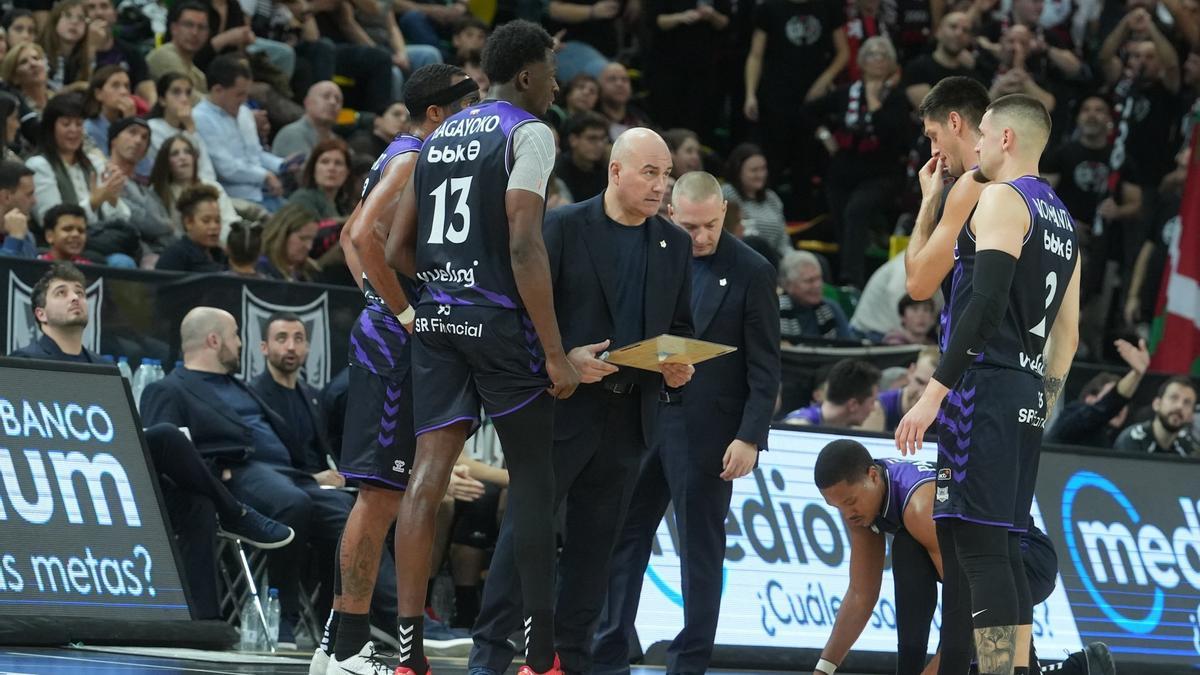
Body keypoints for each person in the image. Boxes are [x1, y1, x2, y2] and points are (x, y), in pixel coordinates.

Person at [384, 21, 582, 675]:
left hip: (438, 321)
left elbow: (397, 249)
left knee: (426, 475)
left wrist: (445, 288)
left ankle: (409, 657)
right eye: (552, 72)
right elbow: (525, 242)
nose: (557, 85)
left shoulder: (439, 133)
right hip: (497, 323)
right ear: (525, 75)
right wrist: (554, 351)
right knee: (534, 477)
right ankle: (541, 659)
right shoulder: (529, 132)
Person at [463, 122, 694, 675]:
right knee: (526, 532)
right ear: (615, 171)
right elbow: (519, 313)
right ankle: (489, 654)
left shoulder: (675, 243)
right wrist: (563, 357)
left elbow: (681, 327)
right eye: (649, 172)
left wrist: (677, 366)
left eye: (666, 174)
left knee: (596, 548)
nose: (661, 185)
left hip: (630, 415)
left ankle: (570, 659)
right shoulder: (563, 225)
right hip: (561, 406)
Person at [894, 94, 1081, 675]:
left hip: (982, 388)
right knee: (1000, 545)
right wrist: (1040, 403)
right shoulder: (1063, 219)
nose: (974, 144)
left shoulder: (1003, 197)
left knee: (980, 552)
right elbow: (1068, 336)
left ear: (1005, 138)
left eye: (984, 135)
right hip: (1023, 393)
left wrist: (934, 393)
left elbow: (985, 304)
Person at [9, 263, 295, 621]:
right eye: (61, 293)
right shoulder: (24, 361)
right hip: (54, 476)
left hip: (108, 475)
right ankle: (235, 513)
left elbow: (116, 431)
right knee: (165, 435)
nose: (75, 298)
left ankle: (203, 621)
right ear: (40, 314)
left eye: (80, 292)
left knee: (197, 503)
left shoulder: (104, 366)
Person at [313, 63, 480, 675]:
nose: (477, 115)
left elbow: (350, 239)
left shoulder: (399, 153)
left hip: (388, 335)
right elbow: (360, 236)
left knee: (381, 495)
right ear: (437, 113)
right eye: (469, 104)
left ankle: (334, 647)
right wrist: (402, 313)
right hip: (394, 345)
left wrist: (380, 302)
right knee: (380, 496)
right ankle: (350, 649)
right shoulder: (413, 157)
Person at [593, 171, 779, 675]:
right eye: (691, 226)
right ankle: (608, 652)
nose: (700, 236)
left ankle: (689, 661)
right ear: (670, 214)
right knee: (624, 536)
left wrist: (749, 437)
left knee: (700, 549)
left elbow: (766, 367)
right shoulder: (651, 254)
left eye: (710, 226)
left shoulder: (753, 270)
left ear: (725, 214)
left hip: (709, 430)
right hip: (643, 417)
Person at [140, 306, 395, 645]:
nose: (240, 344)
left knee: (348, 514)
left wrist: (311, 474)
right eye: (235, 335)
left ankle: (374, 620)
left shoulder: (243, 388)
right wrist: (213, 471)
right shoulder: (169, 389)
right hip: (233, 478)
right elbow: (166, 457)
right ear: (214, 340)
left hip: (287, 475)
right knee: (292, 502)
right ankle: (284, 617)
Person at [812, 438, 1116, 675]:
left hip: (1025, 558)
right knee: (908, 550)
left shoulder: (920, 508)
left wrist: (939, 668)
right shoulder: (863, 507)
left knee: (975, 656)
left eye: (850, 502)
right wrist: (823, 669)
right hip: (982, 569)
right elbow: (861, 595)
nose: (847, 514)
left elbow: (969, 599)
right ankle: (1082, 667)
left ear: (872, 476)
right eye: (837, 507)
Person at [809, 35, 912, 287]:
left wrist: (874, 101)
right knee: (839, 212)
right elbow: (809, 111)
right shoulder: (846, 93)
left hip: (882, 172)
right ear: (861, 62)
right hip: (845, 168)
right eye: (872, 54)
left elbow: (894, 135)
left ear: (891, 64)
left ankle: (852, 281)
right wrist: (824, 136)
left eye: (883, 55)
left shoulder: (897, 98)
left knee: (857, 209)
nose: (878, 59)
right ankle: (843, 278)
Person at [902, 76, 992, 304]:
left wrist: (929, 201)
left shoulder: (971, 184)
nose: (933, 151)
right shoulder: (1035, 190)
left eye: (934, 136)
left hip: (973, 326)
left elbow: (917, 286)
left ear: (954, 122)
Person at [25, 92, 137, 267]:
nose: (74, 130)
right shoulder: (39, 165)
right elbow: (48, 220)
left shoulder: (94, 163)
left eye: (79, 124)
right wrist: (94, 201)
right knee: (121, 263)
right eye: (66, 124)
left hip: (99, 242)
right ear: (51, 127)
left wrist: (112, 198)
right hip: (63, 250)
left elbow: (121, 218)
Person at [193, 54, 286, 209]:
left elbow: (256, 153)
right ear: (218, 90)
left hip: (265, 191)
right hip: (237, 197)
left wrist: (281, 164)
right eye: (239, 94)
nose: (244, 100)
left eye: (246, 94)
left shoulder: (244, 112)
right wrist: (265, 175)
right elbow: (226, 169)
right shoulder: (200, 118)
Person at [1046, 339, 1150, 448]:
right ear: (1090, 399)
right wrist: (1136, 375)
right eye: (1110, 395)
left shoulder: (1125, 437)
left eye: (1124, 404)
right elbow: (1103, 408)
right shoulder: (1071, 419)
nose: (1120, 408)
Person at [106, 116, 176, 255]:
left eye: (144, 138)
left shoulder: (149, 192)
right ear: (114, 140)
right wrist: (167, 225)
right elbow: (134, 218)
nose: (138, 141)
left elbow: (169, 234)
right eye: (132, 132)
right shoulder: (104, 177)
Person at [148, 134, 239, 239]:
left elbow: (229, 222)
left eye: (187, 152)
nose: (183, 157)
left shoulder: (212, 186)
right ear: (165, 161)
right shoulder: (157, 192)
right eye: (175, 154)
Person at [901, 12, 986, 109]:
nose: (959, 33)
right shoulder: (917, 68)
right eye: (953, 27)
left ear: (969, 39)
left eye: (965, 30)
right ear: (938, 31)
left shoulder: (972, 77)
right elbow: (929, 112)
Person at [146, 72, 218, 183]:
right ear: (162, 100)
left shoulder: (190, 129)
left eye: (188, 93)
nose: (184, 99)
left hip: (201, 187)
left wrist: (190, 128)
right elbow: (173, 171)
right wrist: (190, 128)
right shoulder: (152, 128)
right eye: (176, 92)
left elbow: (207, 171)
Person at [720, 143, 789, 256]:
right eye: (754, 170)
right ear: (738, 171)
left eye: (763, 169)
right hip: (744, 255)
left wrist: (792, 258)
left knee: (808, 260)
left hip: (776, 258)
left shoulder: (772, 197)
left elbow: (784, 239)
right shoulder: (728, 193)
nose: (760, 175)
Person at [82, 0, 154, 102]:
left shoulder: (131, 53)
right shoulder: (74, 51)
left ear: (115, 15)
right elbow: (83, 88)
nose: (99, 13)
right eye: (91, 7)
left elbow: (147, 89)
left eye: (104, 6)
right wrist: (92, 47)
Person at [1113, 376, 1199, 457]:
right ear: (1156, 404)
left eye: (1187, 403)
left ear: (1191, 416)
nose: (1179, 406)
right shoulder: (1132, 440)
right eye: (1173, 398)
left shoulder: (1188, 448)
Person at [778, 250, 853, 342]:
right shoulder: (774, 311)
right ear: (788, 284)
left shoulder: (831, 308)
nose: (817, 285)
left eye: (819, 278)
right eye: (809, 280)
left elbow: (849, 345)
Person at [783, 358, 880, 427]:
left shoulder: (842, 428)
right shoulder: (799, 427)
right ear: (853, 405)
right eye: (872, 402)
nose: (874, 408)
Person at [155, 184, 228, 272]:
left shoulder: (221, 255)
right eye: (206, 221)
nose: (214, 226)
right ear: (188, 222)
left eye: (217, 221)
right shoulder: (174, 256)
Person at [146, 1, 212, 94]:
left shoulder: (198, 75)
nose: (195, 32)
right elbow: (188, 97)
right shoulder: (164, 56)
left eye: (201, 27)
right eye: (188, 25)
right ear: (174, 28)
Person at [272, 80, 344, 159]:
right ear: (307, 102)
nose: (333, 102)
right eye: (326, 96)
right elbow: (305, 167)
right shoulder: (291, 134)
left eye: (338, 99)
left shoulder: (338, 141)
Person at [287, 137, 352, 219]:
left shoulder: (343, 205)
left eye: (338, 163)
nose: (331, 168)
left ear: (347, 171)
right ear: (313, 168)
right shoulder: (302, 199)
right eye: (325, 162)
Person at [1, 42, 52, 146]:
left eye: (36, 58)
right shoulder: (16, 109)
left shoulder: (59, 99)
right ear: (14, 77)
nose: (33, 64)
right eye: (24, 62)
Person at [876, 347, 938, 431]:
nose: (921, 394)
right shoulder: (879, 406)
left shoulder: (949, 414)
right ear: (911, 371)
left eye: (932, 388)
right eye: (919, 382)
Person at [554, 111, 609, 202]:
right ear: (573, 140)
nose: (600, 145)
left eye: (602, 138)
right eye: (592, 138)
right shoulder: (558, 170)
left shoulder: (607, 169)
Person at [82, 65, 135, 158]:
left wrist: (132, 123)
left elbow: (144, 164)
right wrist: (128, 125)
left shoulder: (135, 124)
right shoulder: (88, 129)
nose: (124, 92)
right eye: (115, 86)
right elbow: (107, 162)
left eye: (127, 86)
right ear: (98, 94)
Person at [256, 203, 319, 280]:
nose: (309, 246)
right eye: (302, 238)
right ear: (282, 235)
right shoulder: (260, 268)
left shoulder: (309, 273)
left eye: (312, 239)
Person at [39, 0, 92, 89]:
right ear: (55, 21)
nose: (75, 22)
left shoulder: (85, 59)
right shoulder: (38, 54)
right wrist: (75, 87)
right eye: (68, 15)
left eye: (81, 18)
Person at [0, 159, 36, 258]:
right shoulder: (18, 234)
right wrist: (14, 239)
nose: (34, 201)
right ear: (6, 197)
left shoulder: (26, 234)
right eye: (29, 194)